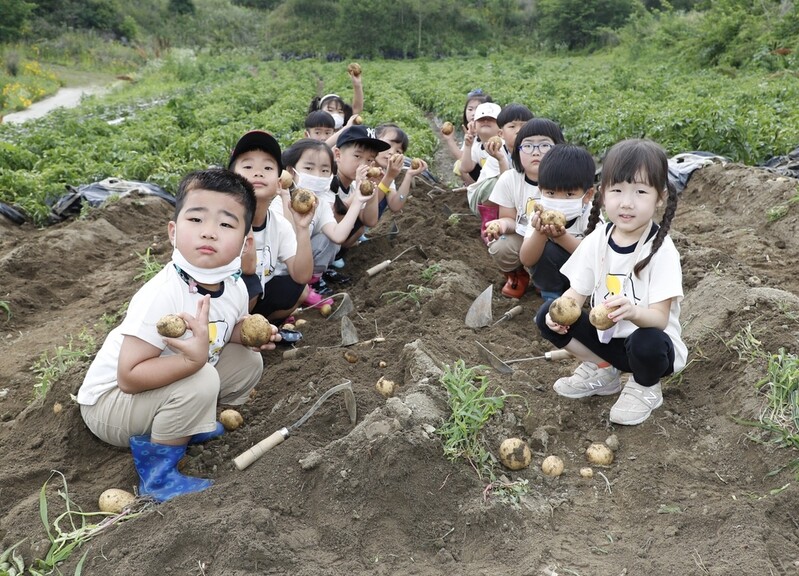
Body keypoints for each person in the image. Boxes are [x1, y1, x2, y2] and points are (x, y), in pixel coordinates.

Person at [77, 169, 278, 503]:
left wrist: (250, 334)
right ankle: (158, 475)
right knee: (200, 378)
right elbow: (128, 376)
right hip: (109, 407)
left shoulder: (235, 286)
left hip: (163, 386)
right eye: (197, 220)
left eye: (226, 224)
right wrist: (192, 360)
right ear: (173, 231)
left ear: (245, 243)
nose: (210, 233)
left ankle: (186, 424)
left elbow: (226, 330)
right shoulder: (162, 294)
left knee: (247, 361)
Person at [534, 138, 687, 426]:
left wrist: (632, 312)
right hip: (607, 341)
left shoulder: (662, 250)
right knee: (547, 314)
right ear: (603, 193)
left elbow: (659, 318)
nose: (627, 203)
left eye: (641, 192)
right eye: (617, 190)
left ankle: (645, 387)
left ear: (659, 197)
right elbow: (576, 294)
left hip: (650, 350)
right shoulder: (597, 240)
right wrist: (563, 312)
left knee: (647, 340)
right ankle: (603, 371)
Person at [229, 130, 313, 336]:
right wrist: (244, 213)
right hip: (221, 301)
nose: (257, 173)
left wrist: (302, 228)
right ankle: (231, 333)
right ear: (231, 179)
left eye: (267, 167)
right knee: (250, 283)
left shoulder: (279, 225)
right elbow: (246, 267)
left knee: (297, 288)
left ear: (278, 184)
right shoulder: (224, 221)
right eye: (248, 167)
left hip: (256, 298)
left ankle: (258, 327)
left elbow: (302, 275)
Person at [281, 138, 374, 296]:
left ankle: (311, 283)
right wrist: (283, 196)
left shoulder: (320, 203)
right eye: (309, 168)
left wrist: (358, 200)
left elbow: (338, 235)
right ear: (290, 172)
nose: (317, 175)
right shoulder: (277, 201)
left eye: (324, 170)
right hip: (276, 271)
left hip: (301, 269)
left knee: (328, 239)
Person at [486, 118, 565, 298]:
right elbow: (510, 219)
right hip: (524, 237)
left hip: (558, 240)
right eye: (528, 146)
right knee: (501, 246)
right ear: (517, 151)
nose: (536, 152)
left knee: (550, 251)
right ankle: (518, 276)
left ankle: (549, 280)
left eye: (545, 146)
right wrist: (501, 225)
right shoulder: (510, 179)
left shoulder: (566, 181)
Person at [518, 142, 595, 300]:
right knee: (546, 250)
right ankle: (551, 295)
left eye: (569, 194)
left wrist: (561, 238)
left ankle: (579, 297)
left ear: (587, 195)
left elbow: (595, 257)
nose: (559, 201)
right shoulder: (539, 213)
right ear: (541, 190)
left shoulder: (591, 215)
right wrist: (540, 234)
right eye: (551, 193)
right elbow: (526, 259)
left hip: (583, 281)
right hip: (554, 276)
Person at [319, 125, 390, 283]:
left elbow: (370, 221)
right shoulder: (327, 181)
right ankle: (315, 276)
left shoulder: (352, 185)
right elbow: (331, 218)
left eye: (370, 160)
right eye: (357, 156)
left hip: (328, 245)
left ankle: (325, 267)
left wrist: (372, 188)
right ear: (338, 154)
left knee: (359, 226)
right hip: (312, 243)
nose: (363, 164)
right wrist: (358, 193)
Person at [461, 102, 533, 245]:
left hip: (512, 199)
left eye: (524, 127)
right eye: (512, 126)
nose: (518, 131)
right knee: (495, 183)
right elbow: (504, 186)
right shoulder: (498, 151)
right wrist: (501, 160)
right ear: (501, 133)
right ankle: (489, 222)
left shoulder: (532, 151)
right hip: (483, 197)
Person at [373, 123, 429, 217]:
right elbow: (366, 204)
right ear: (373, 140)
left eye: (398, 151)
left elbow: (396, 205)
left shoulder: (386, 172)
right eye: (388, 145)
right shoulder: (361, 169)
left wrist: (409, 175)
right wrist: (389, 177)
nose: (392, 152)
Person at [440, 89, 493, 185]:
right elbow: (463, 158)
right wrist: (450, 140)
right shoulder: (470, 133)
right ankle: (475, 189)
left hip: (494, 172)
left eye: (477, 109)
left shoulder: (490, 132)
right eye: (470, 109)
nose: (473, 113)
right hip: (480, 169)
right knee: (459, 166)